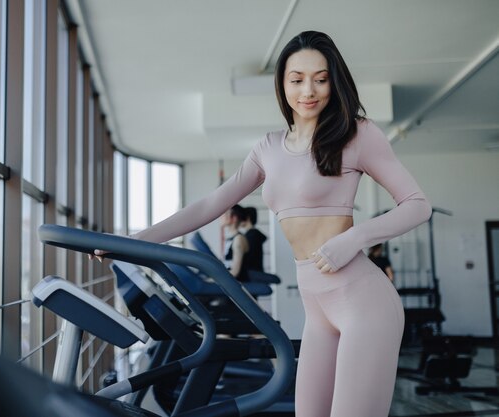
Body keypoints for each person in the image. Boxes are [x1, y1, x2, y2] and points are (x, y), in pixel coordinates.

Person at [93, 30, 431, 417]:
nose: (309, 90)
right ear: (282, 83)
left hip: (363, 300)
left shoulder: (357, 134)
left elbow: (418, 205)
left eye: (321, 79)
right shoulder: (268, 148)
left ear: (334, 82)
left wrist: (355, 238)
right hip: (317, 307)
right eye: (297, 79)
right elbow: (209, 205)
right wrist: (133, 241)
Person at [220, 204, 251, 282]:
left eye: (225, 214)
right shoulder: (230, 238)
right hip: (229, 280)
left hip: (237, 283)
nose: (221, 216)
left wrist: (215, 279)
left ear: (234, 218)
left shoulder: (238, 239)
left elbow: (235, 272)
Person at [241, 206, 267, 273]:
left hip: (252, 275)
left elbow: (249, 259)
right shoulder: (254, 234)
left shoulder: (251, 236)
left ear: (247, 218)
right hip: (255, 273)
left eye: (241, 216)